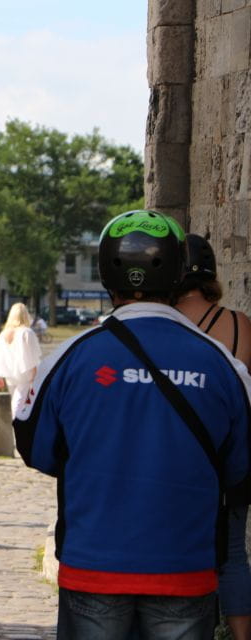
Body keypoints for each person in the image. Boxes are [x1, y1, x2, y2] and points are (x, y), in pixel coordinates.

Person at [14, 209, 251, 639]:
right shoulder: (222, 365)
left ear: (107, 272)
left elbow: (36, 448)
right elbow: (240, 467)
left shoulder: (69, 358)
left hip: (94, 561)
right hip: (185, 564)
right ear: (179, 272)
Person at [176, 233, 251, 640]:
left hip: (185, 457)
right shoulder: (239, 324)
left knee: (183, 549)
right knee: (234, 554)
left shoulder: (168, 326)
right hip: (231, 455)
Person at [0, 302, 42, 414]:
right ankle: (17, 427)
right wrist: (35, 376)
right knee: (19, 403)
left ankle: (15, 427)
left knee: (16, 401)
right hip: (25, 373)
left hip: (10, 373)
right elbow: (34, 356)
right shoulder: (27, 332)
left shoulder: (4, 333)